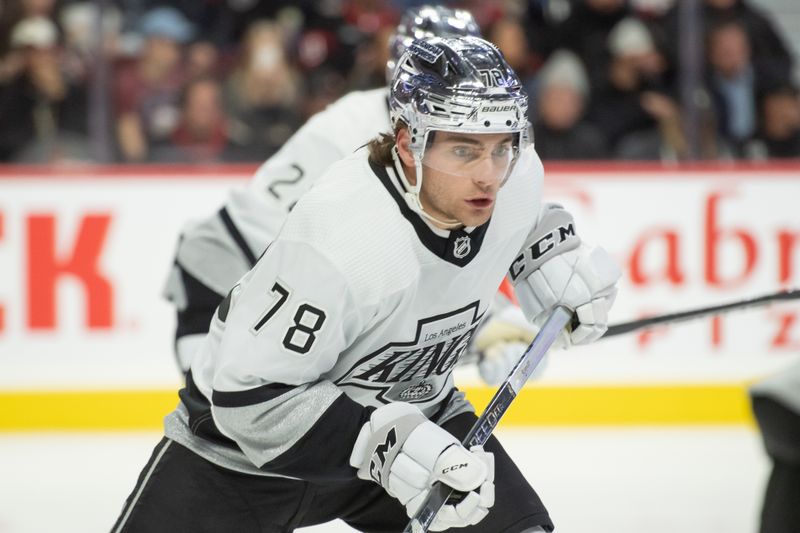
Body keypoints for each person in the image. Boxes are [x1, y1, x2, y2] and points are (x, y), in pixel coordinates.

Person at [112, 35, 621, 533]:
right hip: (240, 463)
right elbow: (248, 402)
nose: (489, 176)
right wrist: (381, 442)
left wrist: (545, 256)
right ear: (407, 145)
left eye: (501, 147)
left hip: (415, 430)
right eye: (464, 151)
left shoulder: (516, 177)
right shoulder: (341, 239)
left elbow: (516, 221)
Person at [163, 5, 482, 373]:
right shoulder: (348, 129)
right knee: (229, 417)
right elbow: (256, 226)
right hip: (223, 273)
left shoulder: (449, 144)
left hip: (276, 284)